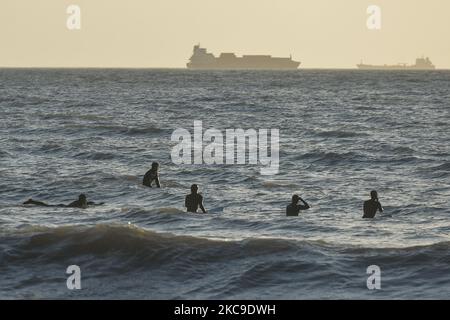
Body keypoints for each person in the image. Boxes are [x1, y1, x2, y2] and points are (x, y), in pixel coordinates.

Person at [23, 194, 103, 209]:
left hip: (63, 205)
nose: (84, 200)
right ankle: (32, 201)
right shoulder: (77, 203)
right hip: (63, 207)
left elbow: (92, 203)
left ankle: (32, 201)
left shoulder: (85, 202)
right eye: (82, 198)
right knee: (46, 206)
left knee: (47, 205)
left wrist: (100, 204)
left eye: (84, 198)